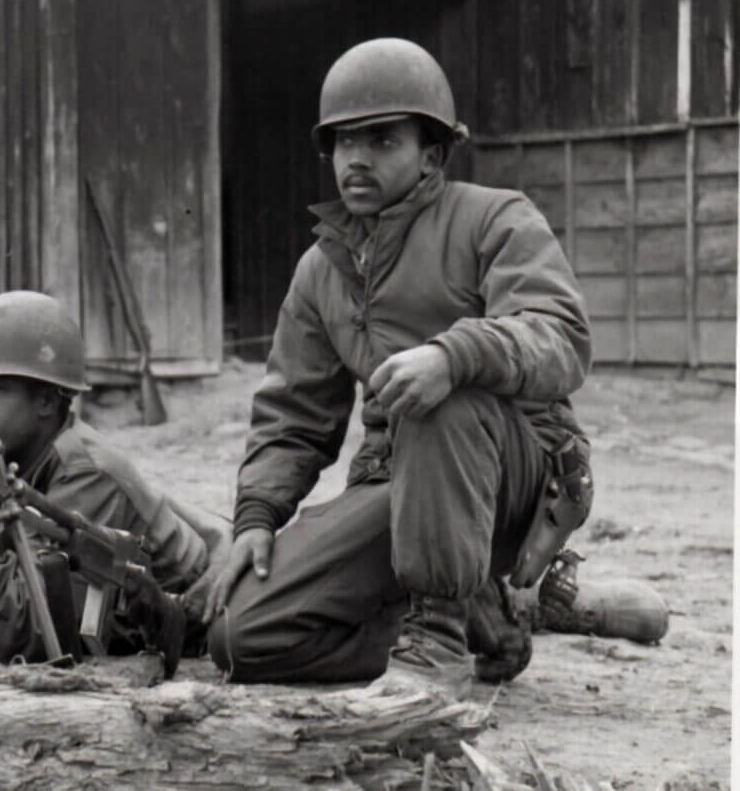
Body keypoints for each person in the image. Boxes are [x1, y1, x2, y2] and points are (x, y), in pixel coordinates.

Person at [205, 37, 594, 698]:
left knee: (442, 391)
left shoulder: (493, 218)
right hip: (399, 484)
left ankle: (436, 643)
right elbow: (293, 416)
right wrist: (256, 519)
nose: (356, 158)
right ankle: (479, 619)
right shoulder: (320, 271)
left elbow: (561, 335)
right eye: (343, 142)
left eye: (382, 140)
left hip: (514, 480)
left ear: (432, 154)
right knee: (243, 637)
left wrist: (455, 353)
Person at [0, 290, 232, 664]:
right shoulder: (2, 465)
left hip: (193, 618)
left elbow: (33, 635)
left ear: (47, 401)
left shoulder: (86, 475)